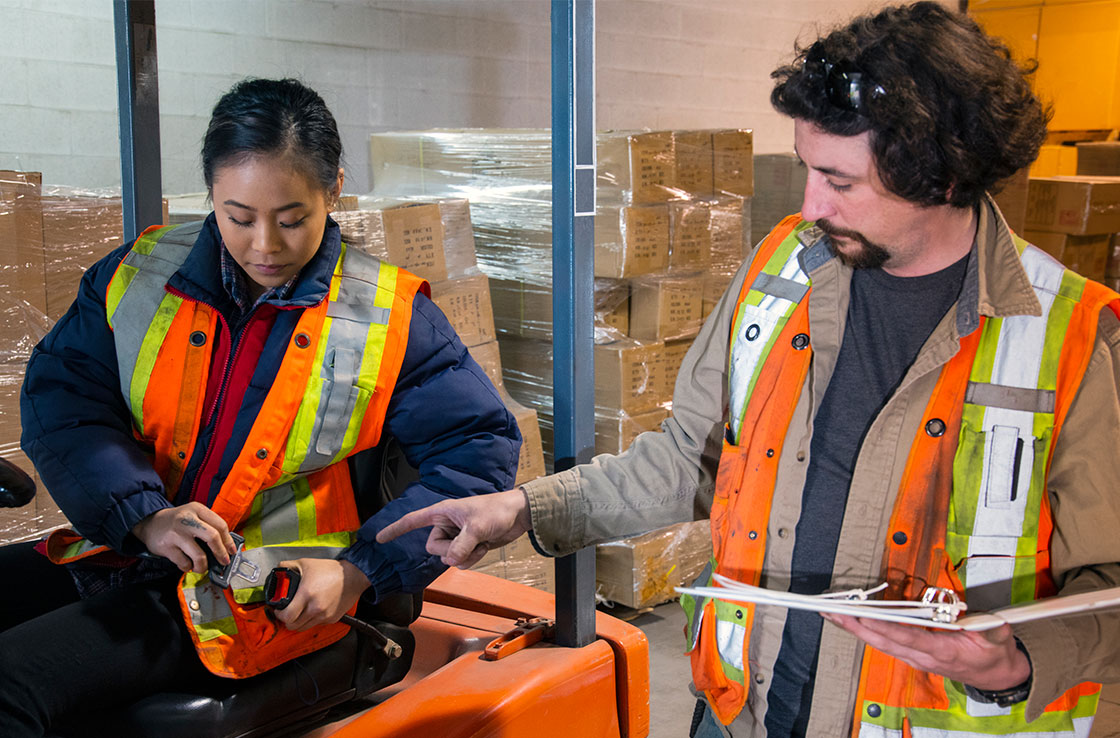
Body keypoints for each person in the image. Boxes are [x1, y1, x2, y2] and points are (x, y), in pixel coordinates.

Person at [378, 4, 1120, 737]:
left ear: (948, 177)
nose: (809, 203)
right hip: (741, 713)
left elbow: (1110, 587)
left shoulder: (1079, 339)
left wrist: (1019, 660)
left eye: (840, 180)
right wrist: (526, 511)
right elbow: (689, 460)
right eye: (807, 168)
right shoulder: (781, 272)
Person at [0, 77, 521, 737]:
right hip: (137, 548)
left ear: (332, 189)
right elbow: (66, 399)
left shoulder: (388, 316)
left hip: (266, 590)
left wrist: (360, 574)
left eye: (292, 217)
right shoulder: (139, 274)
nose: (265, 246)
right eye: (238, 216)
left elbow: (476, 458)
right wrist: (143, 514)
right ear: (211, 194)